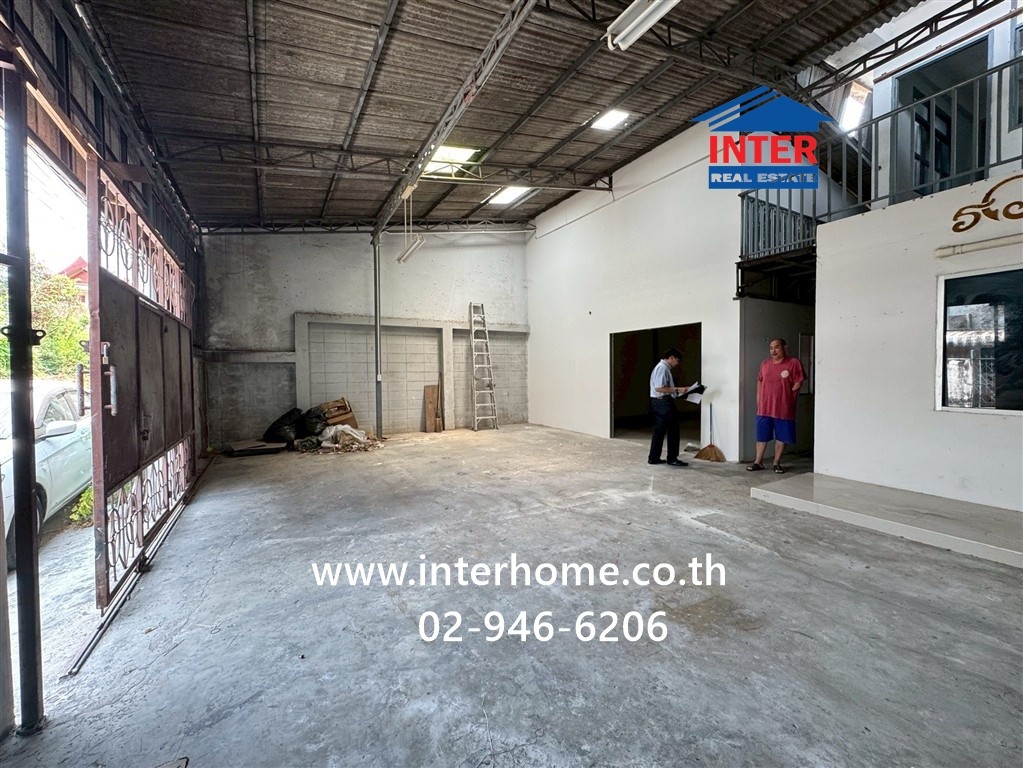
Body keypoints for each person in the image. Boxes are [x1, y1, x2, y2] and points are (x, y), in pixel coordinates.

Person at [747, 338, 806, 474]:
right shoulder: (765, 364)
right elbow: (760, 381)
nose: (773, 350)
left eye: (777, 347)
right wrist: (759, 400)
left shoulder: (793, 363)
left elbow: (798, 382)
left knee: (782, 436)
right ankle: (758, 462)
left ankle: (776, 462)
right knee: (761, 436)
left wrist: (787, 395)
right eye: (771, 348)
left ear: (785, 348)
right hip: (764, 408)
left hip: (784, 408)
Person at [648, 348, 695, 467]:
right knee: (673, 430)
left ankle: (654, 458)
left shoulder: (662, 367)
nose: (677, 364)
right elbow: (659, 388)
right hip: (663, 403)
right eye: (677, 361)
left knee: (659, 431)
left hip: (659, 402)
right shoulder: (663, 368)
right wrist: (678, 389)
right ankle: (672, 458)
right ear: (671, 357)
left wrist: (682, 391)